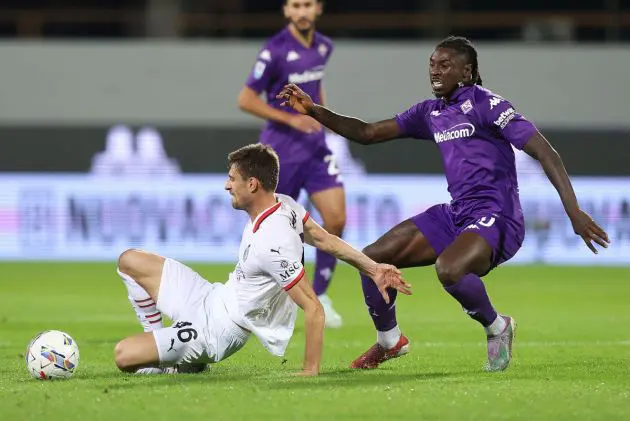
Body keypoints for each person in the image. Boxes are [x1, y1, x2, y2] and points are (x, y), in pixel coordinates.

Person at [277, 35, 610, 372]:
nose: (435, 72)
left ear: (466, 71)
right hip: (456, 215)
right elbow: (368, 133)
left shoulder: (488, 105)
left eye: (444, 65)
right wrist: (314, 110)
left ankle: (497, 327)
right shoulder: (430, 112)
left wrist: (573, 210)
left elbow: (545, 152)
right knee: (372, 259)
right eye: (432, 65)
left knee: (449, 268)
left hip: (498, 216)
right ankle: (390, 340)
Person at [113, 144, 411, 377]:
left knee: (123, 356)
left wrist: (310, 370)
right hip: (212, 297)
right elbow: (324, 239)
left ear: (252, 184)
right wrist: (373, 268)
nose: (227, 185)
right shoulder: (285, 204)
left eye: (232, 179)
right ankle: (163, 352)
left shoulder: (274, 243)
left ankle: (174, 358)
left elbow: (313, 307)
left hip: (216, 332)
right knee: (129, 261)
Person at [237, 0, 346, 328]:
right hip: (281, 151)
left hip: (315, 148)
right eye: (296, 5)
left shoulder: (324, 47)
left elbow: (316, 88)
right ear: (286, 11)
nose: (302, 11)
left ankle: (321, 294)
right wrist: (292, 119)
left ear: (318, 9)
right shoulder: (274, 50)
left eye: (307, 5)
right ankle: (269, 299)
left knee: (336, 219)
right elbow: (246, 99)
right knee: (280, 230)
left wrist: (321, 115)